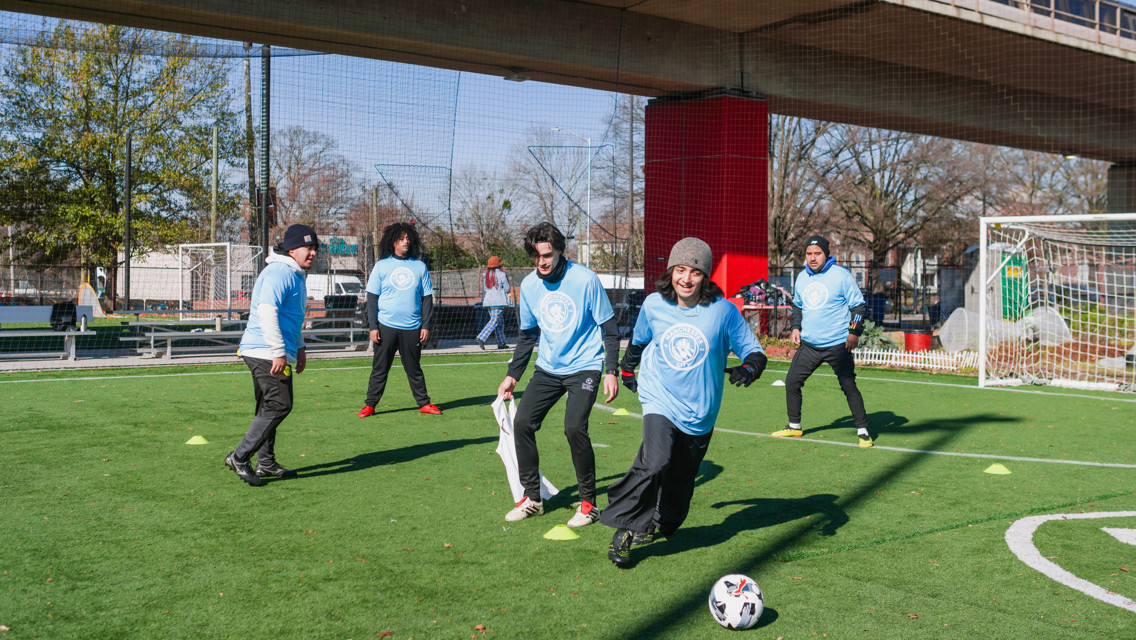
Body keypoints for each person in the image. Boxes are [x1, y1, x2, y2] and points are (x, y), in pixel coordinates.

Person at [602, 237, 767, 566]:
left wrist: (750, 368)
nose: (686, 278)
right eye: (680, 270)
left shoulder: (721, 311)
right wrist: (628, 371)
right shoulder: (654, 305)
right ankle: (625, 527)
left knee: (679, 482)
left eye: (694, 271)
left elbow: (753, 349)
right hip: (659, 394)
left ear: (705, 276)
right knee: (655, 460)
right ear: (670, 272)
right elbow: (639, 339)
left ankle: (664, 518)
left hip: (700, 410)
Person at [496, 222, 620, 528]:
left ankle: (588, 503)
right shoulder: (529, 286)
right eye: (536, 256)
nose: (542, 262)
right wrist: (513, 375)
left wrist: (611, 370)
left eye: (547, 254)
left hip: (585, 367)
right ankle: (532, 499)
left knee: (574, 427)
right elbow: (527, 336)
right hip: (548, 369)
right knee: (522, 422)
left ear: (560, 250)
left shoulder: (585, 280)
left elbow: (610, 328)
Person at [225, 224, 318, 487]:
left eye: (314, 248)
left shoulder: (295, 274)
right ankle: (240, 457)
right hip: (265, 351)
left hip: (270, 350)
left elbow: (293, 317)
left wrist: (299, 348)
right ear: (291, 250)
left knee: (268, 406)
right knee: (279, 405)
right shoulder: (279, 272)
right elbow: (267, 312)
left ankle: (265, 463)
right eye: (307, 248)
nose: (312, 253)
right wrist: (278, 352)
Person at [771, 235, 872, 447]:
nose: (813, 258)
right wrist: (795, 327)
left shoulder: (841, 276)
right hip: (810, 346)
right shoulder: (801, 278)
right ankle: (794, 427)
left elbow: (858, 307)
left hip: (837, 345)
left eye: (817, 254)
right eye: (809, 254)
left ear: (826, 254)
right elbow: (797, 306)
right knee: (792, 382)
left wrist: (853, 332)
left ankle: (863, 431)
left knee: (848, 386)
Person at [357, 222, 442, 417]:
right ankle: (370, 404)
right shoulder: (382, 266)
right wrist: (373, 326)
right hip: (386, 326)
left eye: (408, 238)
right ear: (393, 241)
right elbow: (372, 298)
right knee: (380, 368)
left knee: (414, 368)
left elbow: (427, 298)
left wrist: (426, 325)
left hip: (412, 327)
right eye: (402, 238)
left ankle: (424, 403)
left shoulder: (419, 267)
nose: (406, 242)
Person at [476, 255, 512, 350]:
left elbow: (485, 290)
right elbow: (507, 289)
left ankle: (501, 343)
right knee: (494, 321)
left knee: (499, 322)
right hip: (498, 301)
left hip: (488, 301)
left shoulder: (486, 275)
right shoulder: (502, 274)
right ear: (498, 265)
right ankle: (481, 337)